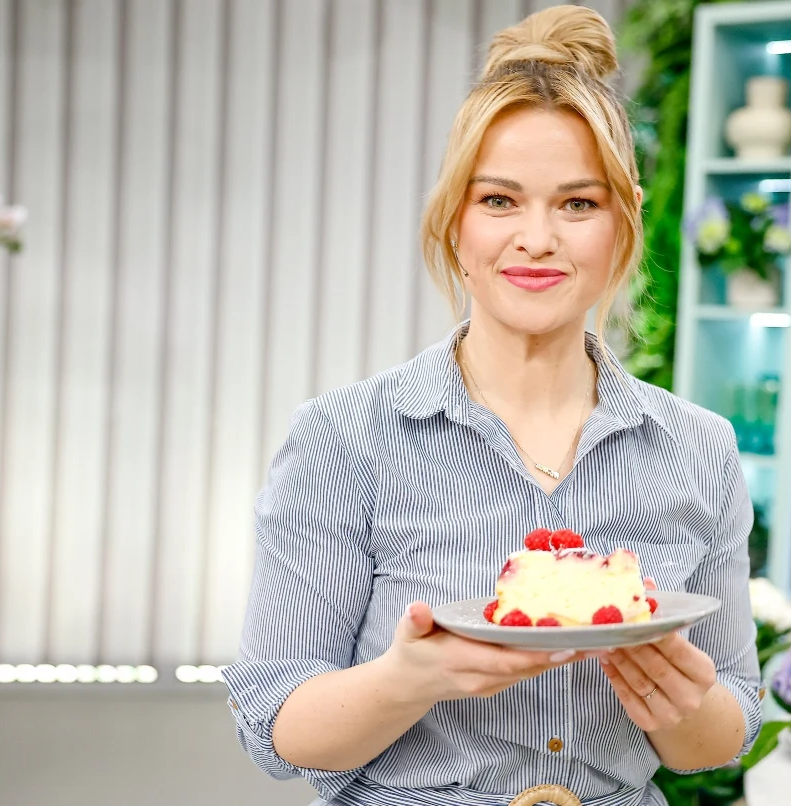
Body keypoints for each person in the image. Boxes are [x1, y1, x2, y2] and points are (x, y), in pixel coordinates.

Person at [222, 6, 761, 805]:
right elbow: (275, 725)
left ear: (622, 225)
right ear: (454, 223)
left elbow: (722, 735)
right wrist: (408, 679)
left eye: (578, 204)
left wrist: (683, 700)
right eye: (500, 200)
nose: (537, 238)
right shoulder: (342, 439)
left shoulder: (699, 449)